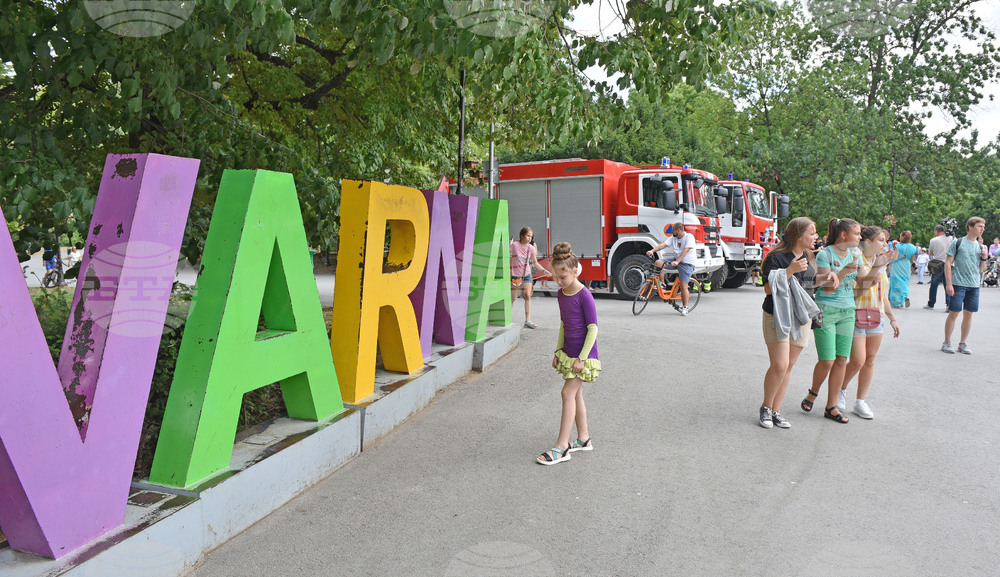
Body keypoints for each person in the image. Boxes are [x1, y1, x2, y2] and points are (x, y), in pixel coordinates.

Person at [537, 242, 600, 465]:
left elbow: (593, 328)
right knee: (576, 395)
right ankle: (584, 439)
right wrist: (558, 350)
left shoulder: (585, 296)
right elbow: (564, 324)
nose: (559, 281)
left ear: (574, 271)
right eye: (556, 276)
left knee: (567, 393)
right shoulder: (561, 295)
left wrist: (582, 359)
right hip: (569, 353)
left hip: (584, 356)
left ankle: (562, 447)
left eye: (563, 276)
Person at [758, 217, 821, 429]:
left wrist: (834, 277)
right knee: (780, 364)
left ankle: (776, 410)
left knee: (789, 366)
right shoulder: (777, 257)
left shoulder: (810, 256)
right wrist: (789, 271)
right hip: (778, 315)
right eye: (812, 233)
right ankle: (766, 407)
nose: (816, 237)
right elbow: (768, 289)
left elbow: (809, 285)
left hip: (801, 316)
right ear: (798, 235)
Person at [802, 218, 861, 424]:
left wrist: (878, 267)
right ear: (843, 235)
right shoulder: (826, 254)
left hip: (848, 312)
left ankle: (831, 406)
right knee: (827, 360)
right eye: (857, 234)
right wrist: (846, 270)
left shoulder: (856, 255)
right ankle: (813, 392)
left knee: (842, 360)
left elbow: (862, 285)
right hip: (826, 310)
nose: (860, 238)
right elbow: (827, 287)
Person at [838, 226, 898, 420]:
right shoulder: (857, 260)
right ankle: (840, 390)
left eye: (885, 240)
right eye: (881, 240)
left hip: (876, 315)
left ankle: (860, 402)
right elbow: (860, 289)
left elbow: (883, 296)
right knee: (858, 360)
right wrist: (876, 267)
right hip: (856, 313)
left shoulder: (880, 263)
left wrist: (892, 319)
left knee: (870, 360)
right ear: (868, 241)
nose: (885, 244)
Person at [941, 217, 989, 354]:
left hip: (974, 285)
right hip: (958, 284)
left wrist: (984, 258)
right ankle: (947, 342)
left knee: (969, 314)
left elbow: (980, 269)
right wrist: (949, 284)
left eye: (983, 227)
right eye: (980, 226)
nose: (982, 229)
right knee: (954, 313)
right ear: (970, 227)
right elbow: (948, 263)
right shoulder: (958, 242)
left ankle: (962, 343)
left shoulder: (981, 247)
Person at [645, 222, 695, 316]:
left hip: (687, 264)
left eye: (673, 230)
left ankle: (685, 307)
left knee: (683, 285)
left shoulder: (689, 237)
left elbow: (686, 250)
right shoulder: (673, 238)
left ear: (678, 230)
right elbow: (662, 245)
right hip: (676, 260)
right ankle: (662, 284)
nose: (672, 232)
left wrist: (677, 262)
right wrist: (652, 251)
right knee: (658, 263)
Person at [510, 227, 547, 329]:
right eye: (528, 235)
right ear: (522, 235)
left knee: (527, 296)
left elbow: (535, 262)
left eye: (531, 236)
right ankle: (507, 319)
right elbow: (505, 255)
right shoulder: (514, 245)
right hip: (515, 275)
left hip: (526, 275)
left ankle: (527, 320)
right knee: (513, 298)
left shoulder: (531, 248)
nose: (530, 238)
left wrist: (544, 271)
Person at [925, 224, 952, 310]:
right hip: (950, 264)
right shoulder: (952, 238)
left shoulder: (933, 240)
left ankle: (931, 303)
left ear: (936, 231)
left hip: (938, 264)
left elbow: (931, 253)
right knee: (948, 284)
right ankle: (949, 304)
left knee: (934, 284)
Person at [888, 230, 917, 308]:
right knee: (905, 282)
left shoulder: (898, 246)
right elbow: (912, 259)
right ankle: (905, 295)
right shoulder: (913, 247)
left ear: (903, 237)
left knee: (896, 283)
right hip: (906, 265)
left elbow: (895, 258)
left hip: (898, 266)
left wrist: (891, 254)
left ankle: (896, 303)